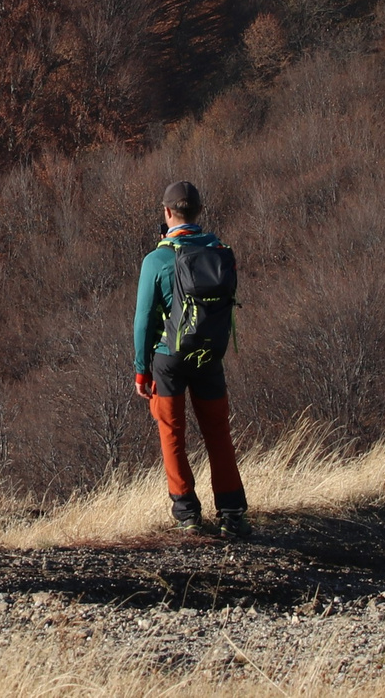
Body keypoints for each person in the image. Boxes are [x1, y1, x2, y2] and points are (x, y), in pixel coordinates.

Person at [132, 179, 249, 538]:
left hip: (169, 359)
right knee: (218, 434)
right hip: (210, 355)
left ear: (167, 212)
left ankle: (187, 514)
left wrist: (141, 370)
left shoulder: (158, 259)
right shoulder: (218, 252)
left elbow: (143, 319)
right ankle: (232, 513)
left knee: (172, 433)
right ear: (198, 212)